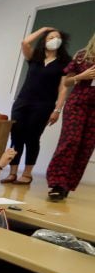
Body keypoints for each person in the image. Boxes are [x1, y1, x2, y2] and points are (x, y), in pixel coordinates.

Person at [6, 27, 70, 185]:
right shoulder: (34, 57)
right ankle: (12, 172)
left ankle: (27, 174)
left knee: (32, 138)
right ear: (44, 41)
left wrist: (57, 109)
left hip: (44, 104)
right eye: (50, 37)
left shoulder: (65, 62)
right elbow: (25, 42)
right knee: (16, 137)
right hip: (22, 102)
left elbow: (63, 88)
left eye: (57, 37)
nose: (54, 39)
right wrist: (44, 29)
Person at [46, 31, 95, 202]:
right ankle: (57, 183)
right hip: (77, 104)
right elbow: (66, 82)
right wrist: (82, 77)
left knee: (86, 147)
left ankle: (67, 185)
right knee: (71, 141)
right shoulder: (83, 56)